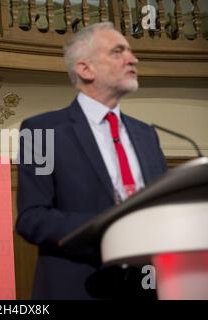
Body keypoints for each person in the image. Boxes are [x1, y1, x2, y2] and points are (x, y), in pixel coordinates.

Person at [15, 22, 167, 299]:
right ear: (85, 69)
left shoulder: (147, 135)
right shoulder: (41, 132)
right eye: (117, 52)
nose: (133, 59)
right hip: (80, 288)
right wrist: (108, 231)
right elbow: (32, 218)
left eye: (130, 52)